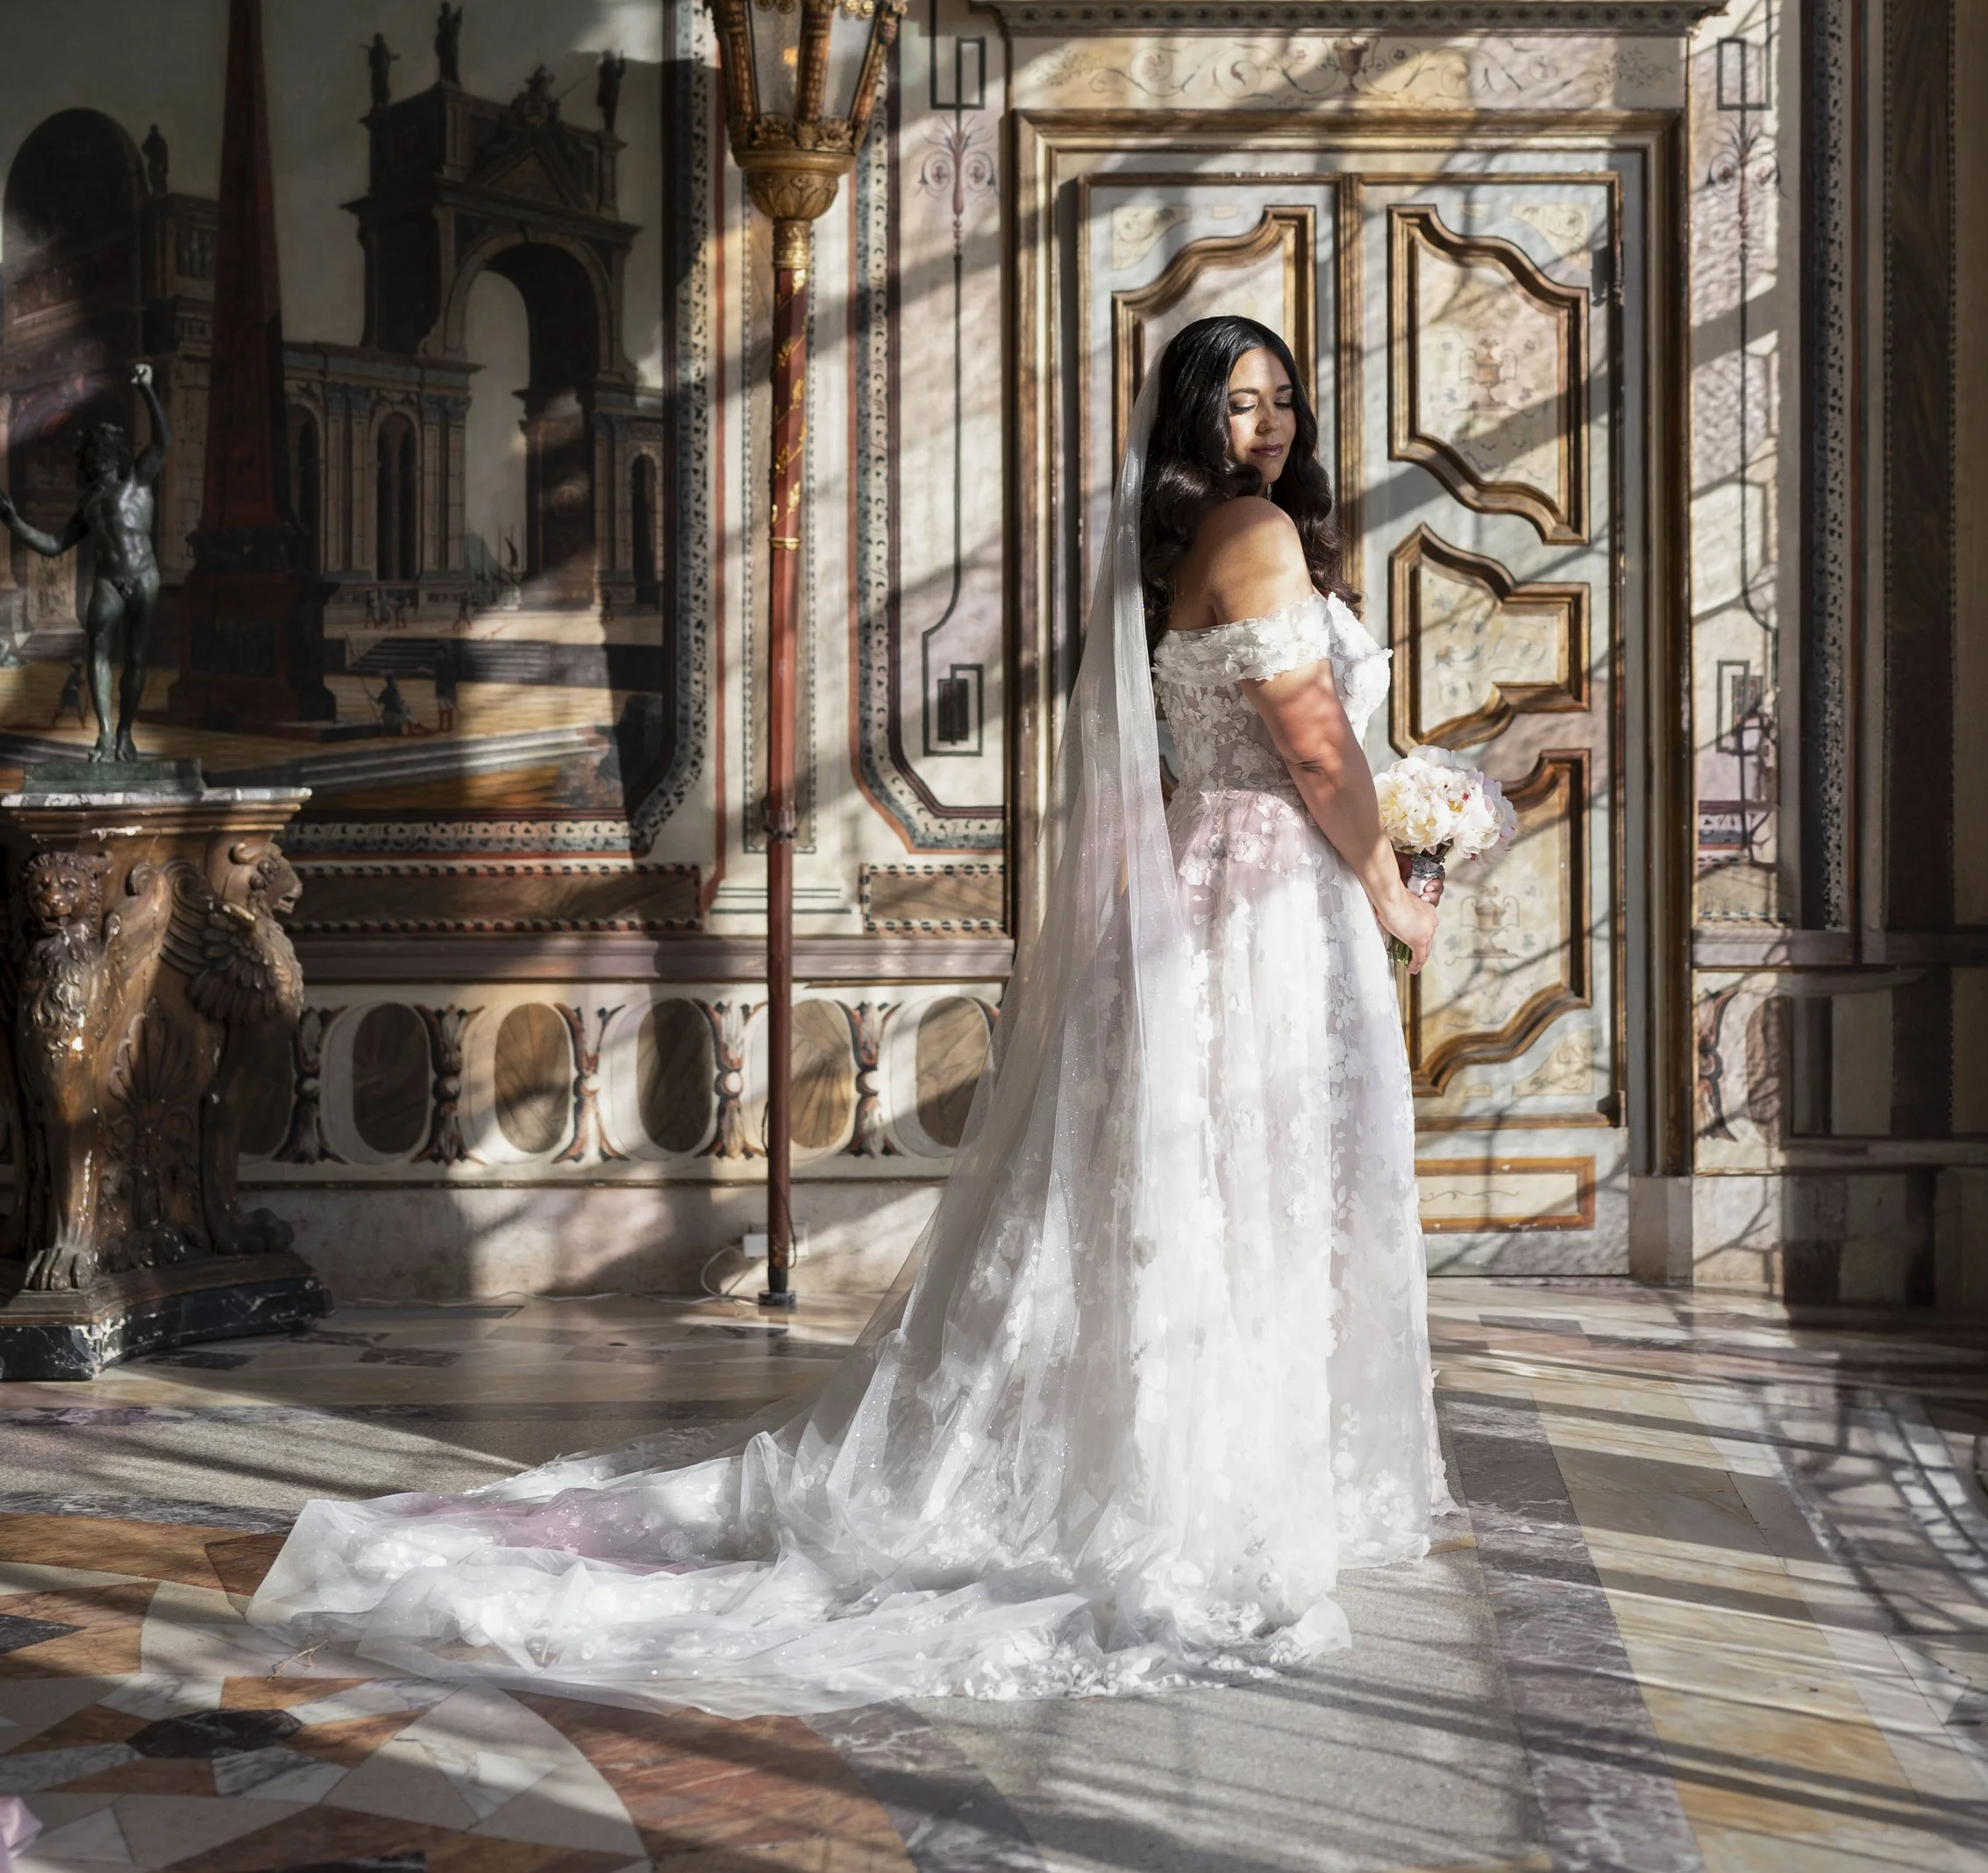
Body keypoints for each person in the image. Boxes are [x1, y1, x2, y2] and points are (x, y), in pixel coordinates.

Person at [249, 313, 1452, 1709]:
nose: (1271, 424)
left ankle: (1198, 1450)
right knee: (1250, 1176)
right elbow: (1311, 746)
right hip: (1261, 901)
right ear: (1195, 424)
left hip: (1206, 884)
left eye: (1284, 397)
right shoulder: (1251, 528)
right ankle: (1213, 1480)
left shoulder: (1181, 546)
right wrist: (1394, 886)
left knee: (1198, 1185)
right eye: (1240, 403)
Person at [0, 367, 167, 763]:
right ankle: (106, 737)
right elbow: (54, 545)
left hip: (143, 575)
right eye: (89, 455)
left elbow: (163, 440)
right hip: (109, 581)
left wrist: (146, 389)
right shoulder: (88, 506)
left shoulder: (139, 482)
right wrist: (14, 521)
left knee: (138, 658)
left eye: (98, 452)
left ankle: (125, 733)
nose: (94, 460)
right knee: (97, 650)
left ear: (112, 454)